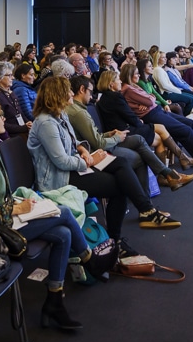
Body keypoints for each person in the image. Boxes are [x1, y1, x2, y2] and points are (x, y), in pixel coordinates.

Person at [0, 96, 91, 330]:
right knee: (62, 212)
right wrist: (17, 208)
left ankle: (54, 302)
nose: (4, 119)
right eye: (0, 116)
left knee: (63, 234)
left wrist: (16, 206)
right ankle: (90, 259)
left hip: (6, 219)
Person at [28, 75, 179, 243]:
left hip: (72, 167)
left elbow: (73, 141)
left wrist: (82, 149)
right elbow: (61, 161)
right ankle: (117, 238)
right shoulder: (46, 123)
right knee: (119, 186)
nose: (71, 93)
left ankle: (146, 211)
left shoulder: (60, 115)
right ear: (57, 94)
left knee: (120, 163)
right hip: (58, 178)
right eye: (68, 90)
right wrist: (89, 161)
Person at [66, 75, 193, 192]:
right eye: (90, 91)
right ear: (82, 89)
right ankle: (165, 180)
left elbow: (95, 135)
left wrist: (110, 134)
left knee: (140, 139)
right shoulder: (80, 112)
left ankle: (169, 174)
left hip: (113, 135)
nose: (91, 95)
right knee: (144, 152)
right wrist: (117, 137)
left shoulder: (93, 104)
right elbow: (98, 143)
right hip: (101, 148)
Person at [120, 63, 193, 170]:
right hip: (151, 115)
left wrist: (149, 99)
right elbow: (150, 100)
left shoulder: (134, 86)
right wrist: (149, 99)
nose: (139, 75)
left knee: (190, 123)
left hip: (156, 110)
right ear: (129, 75)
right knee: (185, 130)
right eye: (136, 74)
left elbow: (150, 98)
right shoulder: (128, 89)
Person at [0, 61, 30, 137]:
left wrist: (28, 123)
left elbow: (20, 113)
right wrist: (23, 128)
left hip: (21, 131)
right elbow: (1, 123)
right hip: (10, 136)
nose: (13, 78)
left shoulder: (10, 92)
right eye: (9, 75)